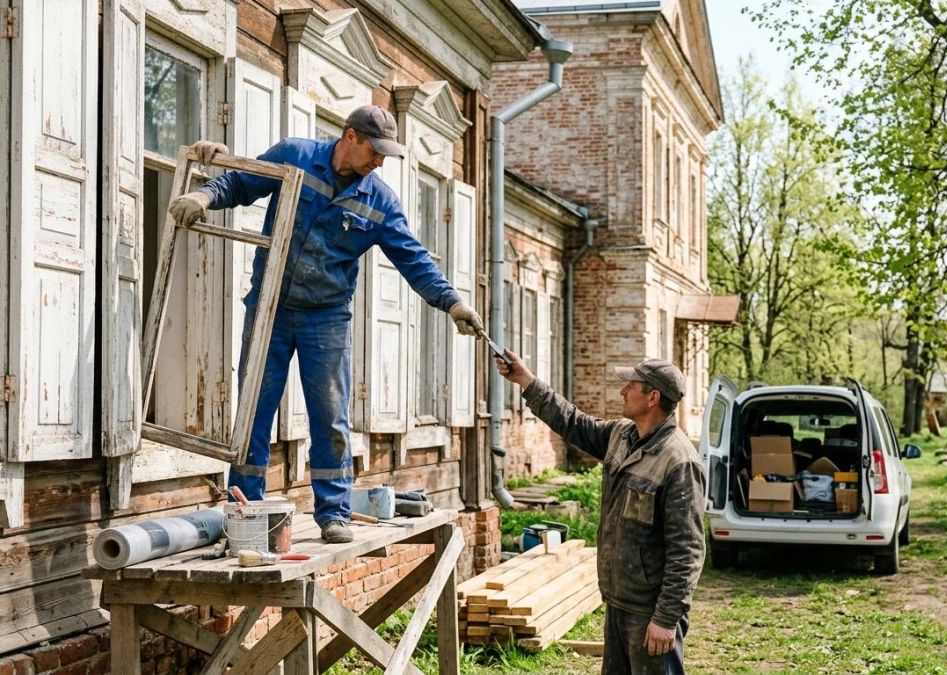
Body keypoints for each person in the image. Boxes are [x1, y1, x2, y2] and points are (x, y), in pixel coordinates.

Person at [167, 105, 484, 544]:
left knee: (330, 416)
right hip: (270, 308)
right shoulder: (295, 155)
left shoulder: (380, 201)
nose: (380, 162)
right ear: (350, 137)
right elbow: (242, 181)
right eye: (376, 151)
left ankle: (333, 513)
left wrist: (452, 304)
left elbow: (414, 260)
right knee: (253, 412)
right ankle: (247, 508)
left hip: (327, 318)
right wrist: (204, 196)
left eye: (386, 155)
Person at [495, 352, 705, 674]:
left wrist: (665, 619)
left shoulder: (679, 461)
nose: (622, 392)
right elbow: (572, 422)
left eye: (630, 386)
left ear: (652, 397)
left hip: (650, 613)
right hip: (618, 602)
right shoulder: (621, 436)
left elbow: (687, 550)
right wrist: (527, 380)